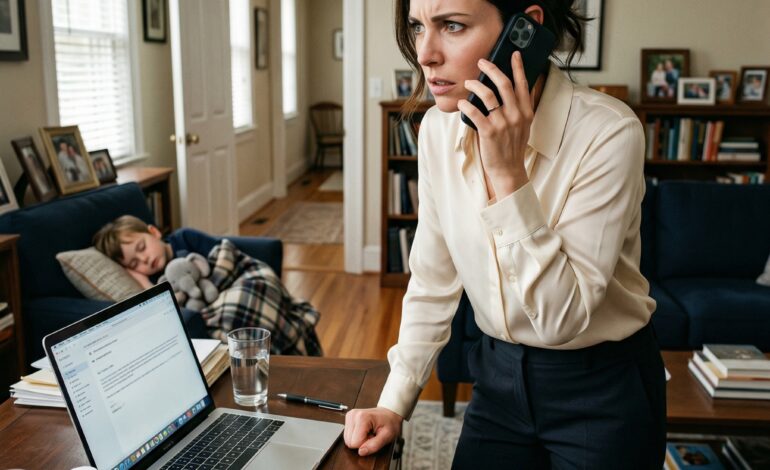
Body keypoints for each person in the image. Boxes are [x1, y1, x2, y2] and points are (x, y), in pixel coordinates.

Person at [343, 1, 666, 468]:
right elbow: (433, 281)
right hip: (496, 377)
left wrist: (506, 172)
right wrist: (395, 401)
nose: (426, 54)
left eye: (452, 26)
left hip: (604, 387)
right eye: (418, 28)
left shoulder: (609, 132)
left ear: (524, 29)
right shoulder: (437, 129)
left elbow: (561, 320)